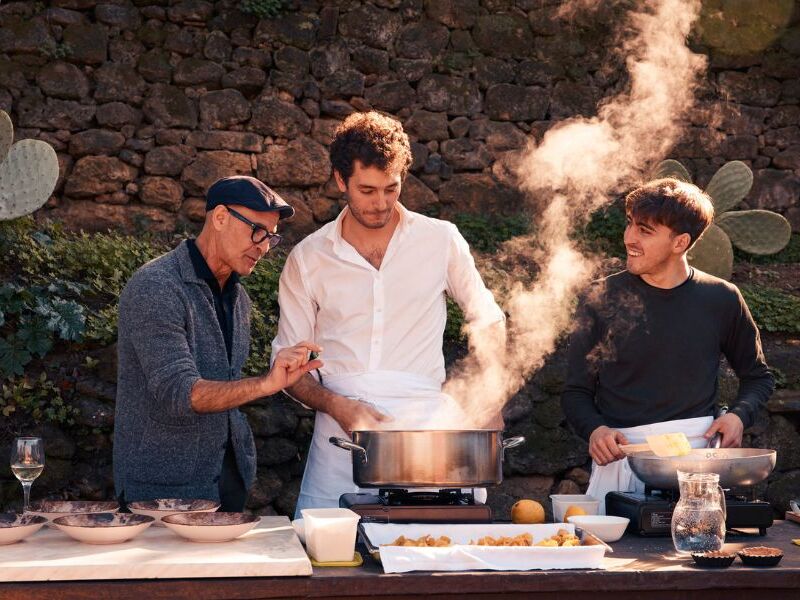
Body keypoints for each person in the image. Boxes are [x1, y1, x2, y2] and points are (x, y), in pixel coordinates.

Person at [271, 112, 506, 515]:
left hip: (426, 432)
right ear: (340, 180)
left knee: (430, 545)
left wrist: (490, 397)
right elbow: (288, 365)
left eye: (391, 188)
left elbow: (486, 319)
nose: (380, 203)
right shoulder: (308, 258)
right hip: (341, 435)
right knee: (330, 547)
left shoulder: (441, 239)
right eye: (366, 190)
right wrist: (337, 406)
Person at [561, 178, 775, 511]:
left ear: (680, 242)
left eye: (645, 231)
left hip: (698, 466)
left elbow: (758, 377)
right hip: (621, 464)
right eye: (630, 224)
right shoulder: (600, 297)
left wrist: (738, 416)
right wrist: (596, 430)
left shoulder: (722, 298)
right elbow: (576, 391)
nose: (629, 238)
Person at [114, 176, 322, 511]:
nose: (264, 247)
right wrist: (266, 383)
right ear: (221, 217)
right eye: (257, 231)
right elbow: (180, 393)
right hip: (161, 494)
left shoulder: (239, 299)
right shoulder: (156, 287)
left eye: (271, 237)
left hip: (228, 483)